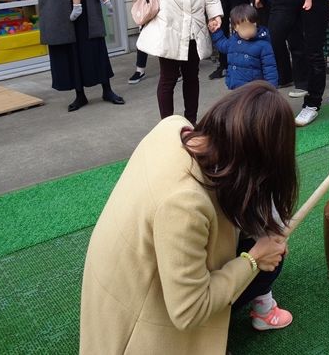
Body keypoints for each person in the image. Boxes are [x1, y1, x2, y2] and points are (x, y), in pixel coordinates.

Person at [80, 82, 296, 353]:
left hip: (116, 283)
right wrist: (253, 260)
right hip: (134, 325)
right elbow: (188, 310)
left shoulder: (174, 127)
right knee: (265, 264)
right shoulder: (185, 204)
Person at [211, 4, 278, 90]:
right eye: (243, 28)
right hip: (235, 86)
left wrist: (271, 90)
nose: (248, 31)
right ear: (235, 28)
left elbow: (270, 69)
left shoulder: (263, 45)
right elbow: (222, 45)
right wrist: (216, 31)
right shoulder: (233, 41)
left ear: (256, 24)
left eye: (251, 26)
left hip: (254, 89)